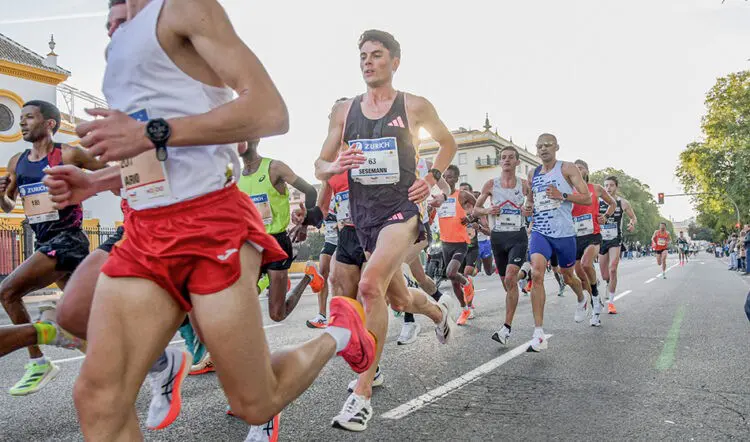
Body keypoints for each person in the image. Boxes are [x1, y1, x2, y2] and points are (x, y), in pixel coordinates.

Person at [45, 2, 375, 440]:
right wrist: (95, 181)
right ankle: (167, 365)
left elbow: (270, 113)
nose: (112, 24)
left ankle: (339, 331)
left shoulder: (183, 8)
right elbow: (156, 157)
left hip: (209, 223)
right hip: (144, 231)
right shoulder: (118, 44)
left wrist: (149, 132)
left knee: (255, 402)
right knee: (98, 399)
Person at [314, 29, 457, 432]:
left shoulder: (414, 105)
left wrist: (430, 178)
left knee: (370, 285)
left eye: (376, 55)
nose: (368, 62)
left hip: (401, 211)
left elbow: (447, 144)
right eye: (363, 56)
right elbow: (319, 165)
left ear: (394, 62)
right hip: (363, 217)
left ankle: (362, 395)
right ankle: (437, 311)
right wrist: (335, 165)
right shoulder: (344, 112)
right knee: (397, 296)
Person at [0, 100, 106, 396]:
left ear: (49, 123)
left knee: (7, 292)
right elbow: (8, 206)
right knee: (85, 318)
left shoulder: (69, 154)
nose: (22, 123)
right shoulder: (17, 161)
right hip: (44, 241)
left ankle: (38, 362)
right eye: (21, 118)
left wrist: (85, 186)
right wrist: (1, 195)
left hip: (68, 239)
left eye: (29, 117)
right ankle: (139, 366)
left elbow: (109, 175)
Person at [238, 139, 324, 323]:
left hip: (276, 242)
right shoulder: (235, 177)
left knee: (277, 314)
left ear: (256, 138)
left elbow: (310, 191)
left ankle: (309, 276)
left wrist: (304, 222)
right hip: (250, 244)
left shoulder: (274, 168)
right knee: (241, 301)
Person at [524, 133, 592, 352]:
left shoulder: (567, 168)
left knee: (567, 275)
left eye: (548, 145)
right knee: (536, 273)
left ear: (556, 147)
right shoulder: (533, 173)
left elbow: (587, 198)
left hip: (564, 233)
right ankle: (538, 333)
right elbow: (531, 199)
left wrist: (562, 194)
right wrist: (528, 207)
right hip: (540, 232)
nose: (543, 149)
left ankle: (581, 298)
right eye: (540, 146)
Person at [473, 145, 531, 344]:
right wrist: (488, 210)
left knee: (511, 278)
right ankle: (525, 274)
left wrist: (528, 210)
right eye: (503, 157)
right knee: (508, 283)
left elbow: (533, 206)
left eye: (510, 157)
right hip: (498, 238)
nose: (506, 160)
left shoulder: (524, 185)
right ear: (499, 162)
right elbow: (476, 209)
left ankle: (506, 328)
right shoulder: (491, 184)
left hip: (518, 236)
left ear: (517, 162)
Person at [571, 160, 616, 327]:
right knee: (579, 273)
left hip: (593, 234)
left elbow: (612, 203)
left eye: (580, 168)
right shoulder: (568, 191)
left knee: (586, 263)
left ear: (587, 171)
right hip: (575, 235)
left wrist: (605, 216)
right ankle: (594, 300)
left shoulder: (595, 188)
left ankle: (596, 299)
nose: (577, 170)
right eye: (575, 168)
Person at [434, 166, 477, 325]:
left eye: (450, 177)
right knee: (453, 281)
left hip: (460, 242)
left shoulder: (462, 195)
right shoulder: (438, 197)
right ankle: (465, 309)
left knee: (451, 273)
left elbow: (478, 206)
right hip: (445, 243)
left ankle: (467, 283)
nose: (446, 179)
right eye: (444, 176)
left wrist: (470, 218)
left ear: (457, 179)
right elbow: (432, 215)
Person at [598, 176, 637, 314]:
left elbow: (633, 217)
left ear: (616, 187)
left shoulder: (623, 203)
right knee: (604, 275)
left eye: (611, 185)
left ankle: (611, 303)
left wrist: (631, 224)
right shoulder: (597, 201)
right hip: (601, 240)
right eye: (606, 185)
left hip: (616, 239)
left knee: (613, 268)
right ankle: (608, 283)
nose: (608, 188)